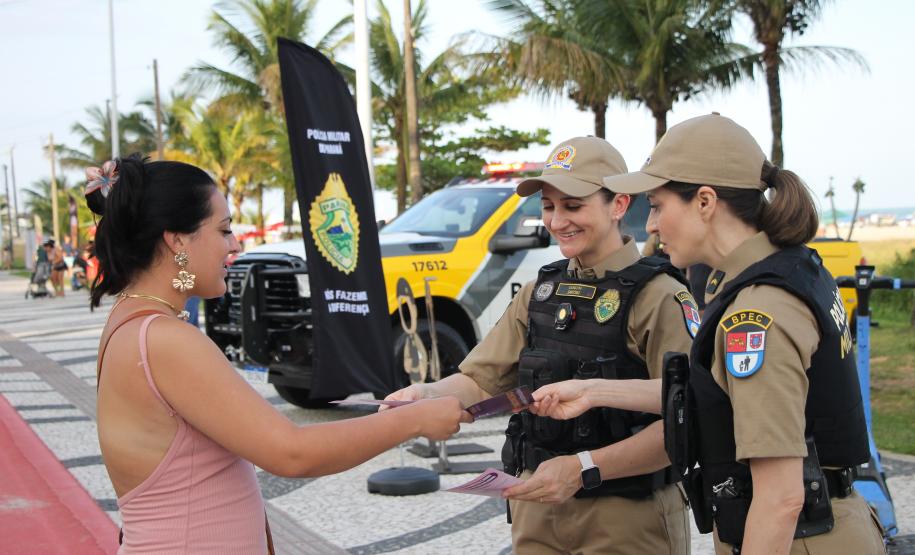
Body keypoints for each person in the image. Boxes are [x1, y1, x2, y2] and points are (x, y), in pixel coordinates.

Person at [533, 113, 885, 554]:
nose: (652, 226)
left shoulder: (758, 313)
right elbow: (721, 390)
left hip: (799, 538)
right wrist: (594, 390)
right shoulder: (782, 270)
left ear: (704, 201)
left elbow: (780, 497)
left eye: (658, 206)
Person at [88, 156, 465, 553]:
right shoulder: (165, 338)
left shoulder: (129, 320)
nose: (234, 244)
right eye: (224, 230)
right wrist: (415, 420)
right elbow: (291, 452)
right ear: (177, 240)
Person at [384, 137, 694, 554]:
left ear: (618, 205)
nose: (557, 220)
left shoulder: (659, 297)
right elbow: (480, 382)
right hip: (538, 506)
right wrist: (425, 394)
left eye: (573, 205)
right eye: (549, 206)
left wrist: (584, 468)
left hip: (626, 514)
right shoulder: (538, 292)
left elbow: (685, 420)